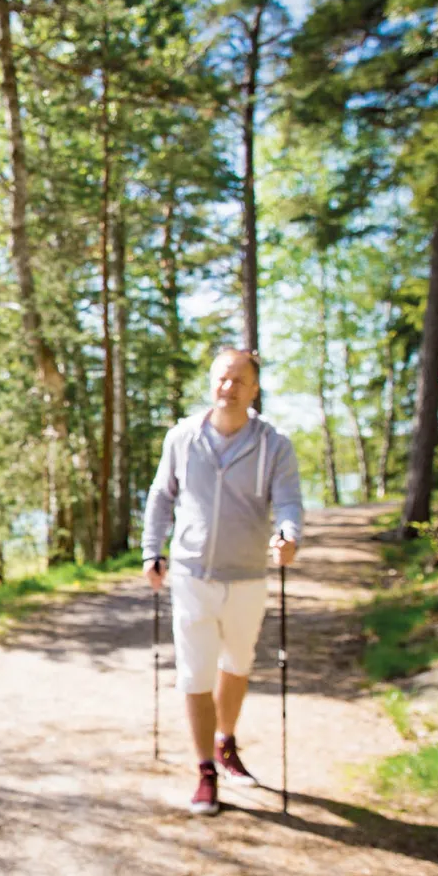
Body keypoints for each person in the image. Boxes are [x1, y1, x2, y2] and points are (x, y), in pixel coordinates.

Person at [141, 348, 302, 816]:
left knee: (237, 665)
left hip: (248, 574)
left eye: (239, 380)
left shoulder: (275, 443)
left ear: (254, 389)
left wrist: (289, 534)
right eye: (221, 379)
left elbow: (289, 501)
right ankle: (205, 770)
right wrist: (153, 550)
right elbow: (160, 497)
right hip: (191, 574)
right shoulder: (183, 437)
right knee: (194, 671)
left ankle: (225, 740)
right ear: (211, 383)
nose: (228, 387)